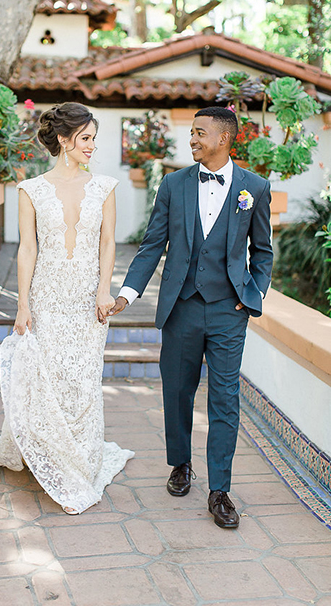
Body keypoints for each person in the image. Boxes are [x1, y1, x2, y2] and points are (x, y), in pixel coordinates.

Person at [109, 106, 273, 529]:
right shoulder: (173, 184)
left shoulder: (254, 187)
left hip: (228, 312)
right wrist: (127, 294)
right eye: (192, 132)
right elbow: (151, 245)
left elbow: (263, 252)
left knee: (224, 399)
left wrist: (250, 297)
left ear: (224, 139)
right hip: (181, 306)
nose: (193, 140)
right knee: (177, 392)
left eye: (200, 133)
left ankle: (220, 490)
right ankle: (180, 463)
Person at [0, 102, 134, 515]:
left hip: (87, 298)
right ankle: (49, 453)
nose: (91, 147)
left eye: (93, 139)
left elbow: (107, 243)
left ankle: (79, 459)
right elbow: (27, 250)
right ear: (64, 140)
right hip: (46, 297)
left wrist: (106, 290)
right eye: (85, 139)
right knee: (47, 375)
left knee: (82, 380)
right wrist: (23, 304)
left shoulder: (105, 186)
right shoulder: (30, 189)